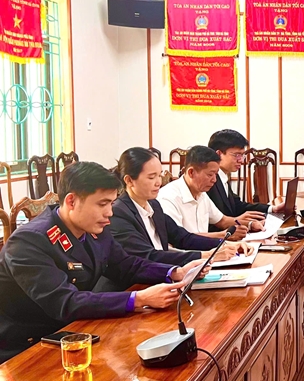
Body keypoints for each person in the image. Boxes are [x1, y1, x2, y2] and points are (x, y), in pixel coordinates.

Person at [0, 162, 207, 363]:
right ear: (71, 201)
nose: (109, 213)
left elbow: (126, 265)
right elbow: (65, 302)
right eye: (102, 204)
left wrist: (174, 272)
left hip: (76, 330)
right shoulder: (29, 241)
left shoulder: (93, 228)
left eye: (111, 203)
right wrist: (138, 299)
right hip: (27, 348)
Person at [98, 147, 253, 292]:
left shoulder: (153, 205)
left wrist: (225, 244)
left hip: (160, 281)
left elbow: (183, 238)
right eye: (151, 177)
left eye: (159, 175)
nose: (158, 182)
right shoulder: (118, 213)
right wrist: (206, 255)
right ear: (129, 180)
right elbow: (149, 256)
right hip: (131, 288)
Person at [157, 145, 258, 239]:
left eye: (216, 174)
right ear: (191, 172)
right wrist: (223, 235)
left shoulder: (202, 194)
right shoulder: (168, 197)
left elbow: (222, 221)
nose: (214, 180)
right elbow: (180, 239)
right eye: (210, 175)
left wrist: (250, 224)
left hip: (206, 249)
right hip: (186, 252)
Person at [206, 129, 284, 232]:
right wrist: (241, 223)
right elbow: (209, 223)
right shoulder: (208, 180)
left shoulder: (223, 176)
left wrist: (272, 209)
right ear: (219, 154)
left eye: (242, 155)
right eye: (237, 155)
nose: (241, 160)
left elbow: (237, 205)